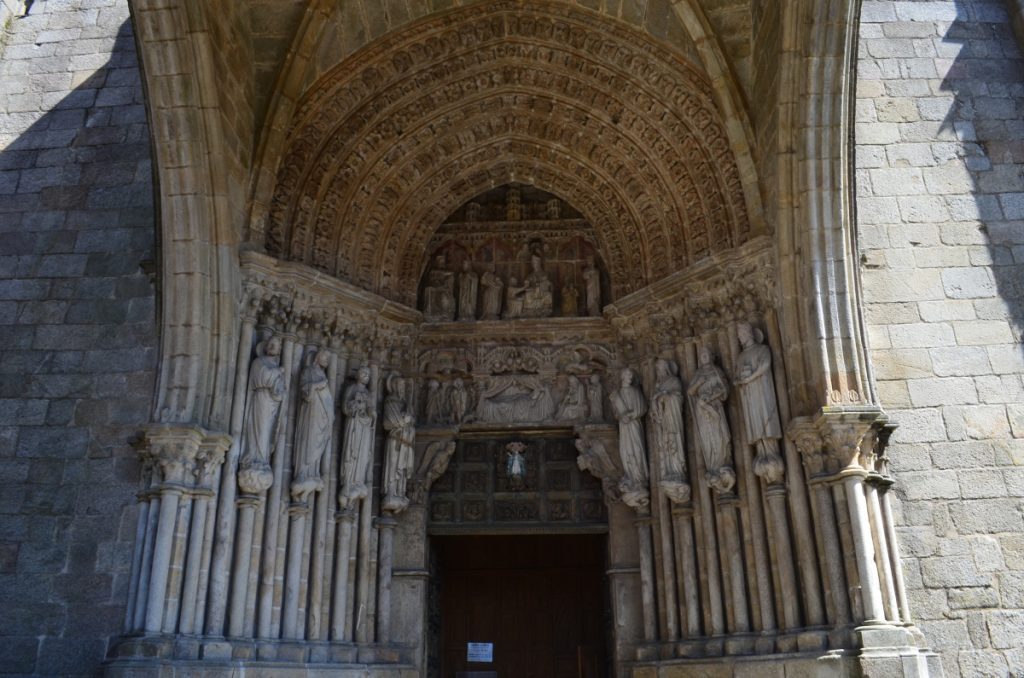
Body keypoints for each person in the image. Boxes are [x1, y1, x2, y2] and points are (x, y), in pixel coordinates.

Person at [291, 348, 333, 500]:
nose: (327, 360)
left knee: (317, 445)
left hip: (321, 417)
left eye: (328, 358)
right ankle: (303, 474)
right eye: (324, 356)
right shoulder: (308, 371)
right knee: (308, 443)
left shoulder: (323, 375)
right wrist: (317, 386)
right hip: (310, 414)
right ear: (317, 357)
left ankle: (313, 473)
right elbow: (305, 392)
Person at [340, 366, 376, 505]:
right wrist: (356, 405)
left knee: (362, 455)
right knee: (352, 452)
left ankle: (358, 480)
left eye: (368, 374)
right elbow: (345, 407)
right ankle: (349, 482)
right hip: (354, 426)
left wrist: (372, 413)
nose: (366, 375)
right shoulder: (351, 389)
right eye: (363, 373)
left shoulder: (368, 393)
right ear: (357, 375)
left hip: (364, 427)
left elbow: (371, 409)